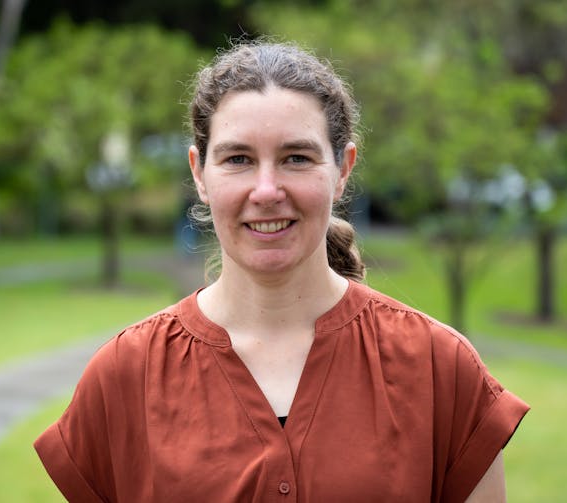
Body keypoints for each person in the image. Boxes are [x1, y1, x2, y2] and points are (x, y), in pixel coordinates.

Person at [34, 40, 529, 503]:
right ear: (198, 174)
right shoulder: (124, 378)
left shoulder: (440, 370)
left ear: (343, 169)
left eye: (296, 157)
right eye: (238, 159)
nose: (266, 189)